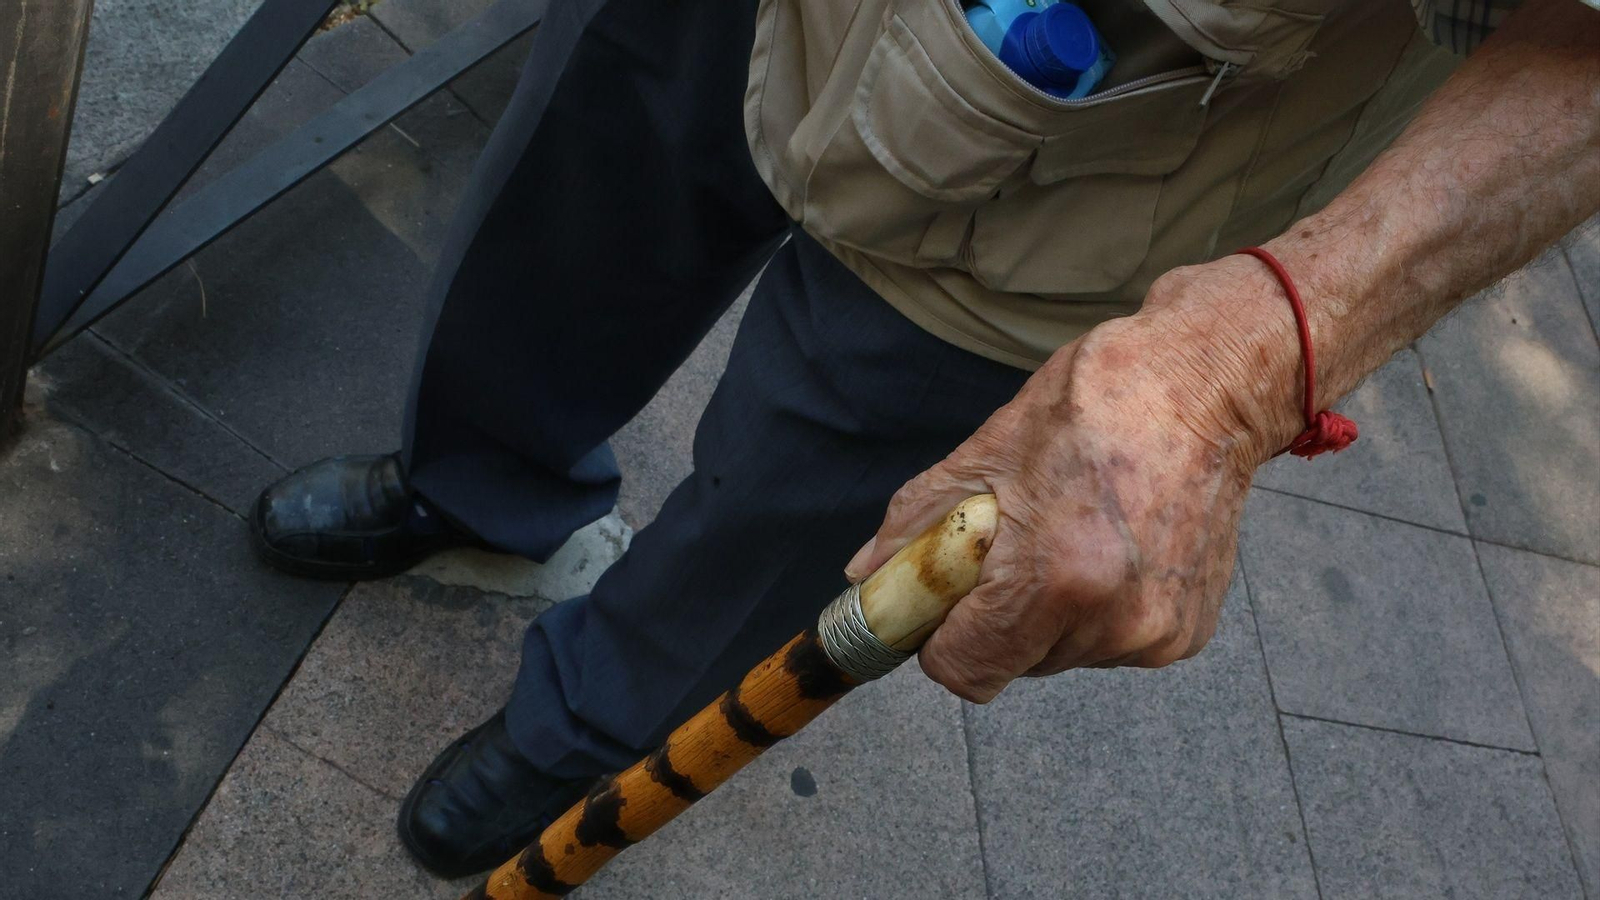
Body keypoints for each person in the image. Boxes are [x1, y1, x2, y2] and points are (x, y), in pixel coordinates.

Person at [250, 0, 1600, 878]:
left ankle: (576, 738)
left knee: (797, 504)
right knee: (572, 212)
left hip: (1095, 135)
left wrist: (1243, 361)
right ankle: (477, 483)